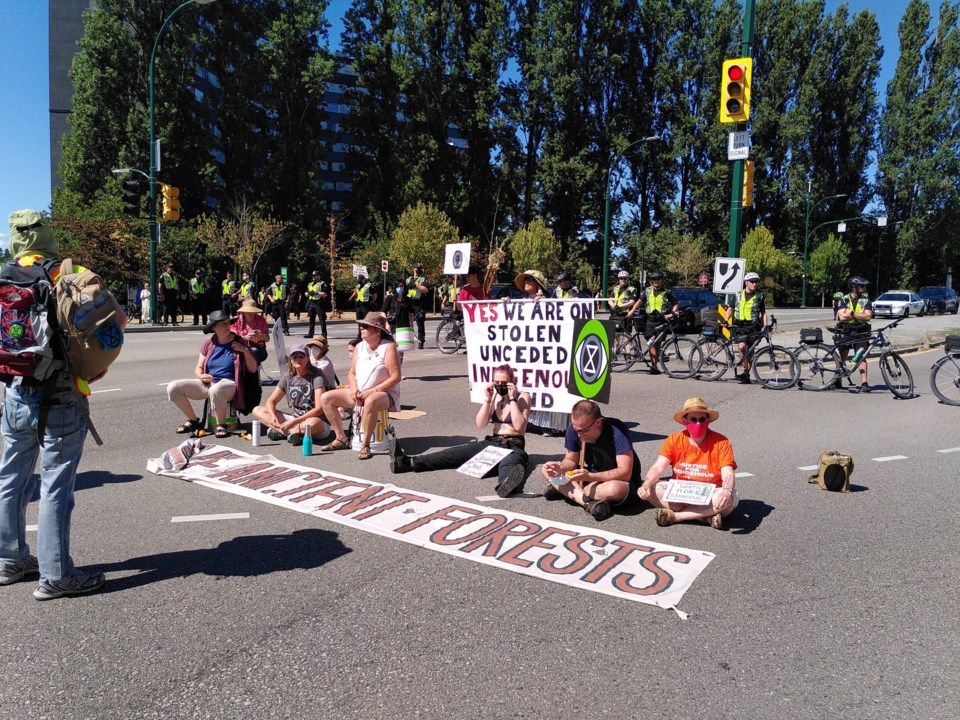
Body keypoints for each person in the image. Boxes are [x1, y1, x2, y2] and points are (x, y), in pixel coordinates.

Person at [0, 209, 125, 600]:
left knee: (11, 480)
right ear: (47, 233)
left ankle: (9, 560)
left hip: (16, 392)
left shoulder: (2, 275)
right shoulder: (65, 272)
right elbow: (116, 320)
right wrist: (93, 366)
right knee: (55, 486)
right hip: (61, 392)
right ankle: (56, 576)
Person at [388, 364, 530, 498]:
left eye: (504, 382)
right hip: (493, 442)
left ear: (512, 382)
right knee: (452, 454)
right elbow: (480, 423)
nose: (500, 386)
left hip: (513, 444)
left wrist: (511, 399)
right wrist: (487, 399)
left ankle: (507, 484)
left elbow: (519, 426)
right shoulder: (494, 397)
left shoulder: (522, 397)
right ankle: (407, 463)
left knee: (509, 463)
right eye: (496, 382)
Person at [638, 397, 738, 530]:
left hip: (710, 493)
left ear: (708, 421)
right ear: (685, 421)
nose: (698, 423)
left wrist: (726, 491)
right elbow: (658, 467)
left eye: (702, 419)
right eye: (693, 419)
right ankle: (704, 517)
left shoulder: (721, 442)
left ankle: (676, 517)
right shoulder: (674, 439)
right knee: (651, 489)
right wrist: (646, 484)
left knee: (730, 498)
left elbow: (727, 472)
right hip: (682, 492)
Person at [540, 400, 642, 521]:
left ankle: (570, 492)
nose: (579, 434)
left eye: (584, 430)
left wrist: (590, 477)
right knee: (546, 469)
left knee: (613, 489)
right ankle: (588, 503)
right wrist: (560, 468)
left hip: (618, 481)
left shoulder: (617, 430)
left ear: (598, 422)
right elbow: (571, 460)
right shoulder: (575, 429)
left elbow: (625, 473)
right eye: (575, 429)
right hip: (589, 478)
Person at [318, 312, 401, 460]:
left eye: (365, 326)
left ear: (377, 330)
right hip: (360, 391)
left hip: (384, 393)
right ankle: (340, 438)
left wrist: (373, 390)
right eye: (361, 325)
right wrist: (354, 389)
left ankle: (366, 444)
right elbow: (351, 373)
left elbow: (395, 377)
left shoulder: (388, 347)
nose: (361, 328)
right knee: (326, 398)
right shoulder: (359, 347)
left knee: (371, 401)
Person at [166, 310, 258, 439]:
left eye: (228, 323)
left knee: (216, 389)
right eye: (222, 324)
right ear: (214, 328)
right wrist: (201, 376)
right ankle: (194, 420)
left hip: (230, 384)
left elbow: (253, 369)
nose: (227, 326)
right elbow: (198, 367)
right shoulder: (209, 344)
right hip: (209, 382)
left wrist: (245, 350)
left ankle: (221, 425)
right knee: (173, 387)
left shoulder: (239, 341)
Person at [252, 344, 329, 446]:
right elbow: (271, 401)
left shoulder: (316, 375)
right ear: (290, 360)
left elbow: (319, 409)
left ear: (307, 358)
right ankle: (292, 433)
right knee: (257, 410)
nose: (297, 359)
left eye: (301, 356)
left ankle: (285, 431)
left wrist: (293, 422)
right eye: (294, 357)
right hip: (295, 420)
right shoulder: (288, 377)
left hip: (316, 422)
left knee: (312, 423)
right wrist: (272, 415)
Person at [627, 269, 678, 375]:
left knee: (658, 343)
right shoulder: (647, 290)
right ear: (652, 281)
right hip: (650, 320)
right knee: (652, 343)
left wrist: (671, 314)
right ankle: (654, 366)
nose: (656, 281)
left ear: (662, 280)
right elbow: (639, 301)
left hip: (661, 320)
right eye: (654, 279)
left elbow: (676, 304)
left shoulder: (667, 291)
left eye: (658, 279)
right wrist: (632, 311)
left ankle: (655, 365)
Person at [727, 271, 768, 384]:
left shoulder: (759, 296)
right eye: (752, 282)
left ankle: (746, 374)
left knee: (750, 352)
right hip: (741, 326)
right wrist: (726, 320)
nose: (755, 284)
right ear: (746, 282)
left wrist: (765, 325)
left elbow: (763, 312)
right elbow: (730, 308)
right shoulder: (738, 295)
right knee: (741, 347)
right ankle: (745, 370)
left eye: (756, 282)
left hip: (754, 327)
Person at [836, 276, 874, 393]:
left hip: (861, 331)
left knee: (861, 357)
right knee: (843, 356)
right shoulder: (843, 299)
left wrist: (851, 313)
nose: (864, 288)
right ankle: (838, 380)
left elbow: (867, 316)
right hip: (846, 330)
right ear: (854, 287)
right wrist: (858, 314)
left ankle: (864, 383)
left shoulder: (866, 299)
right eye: (862, 286)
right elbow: (841, 316)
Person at [231, 299, 270, 364]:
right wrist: (245, 337)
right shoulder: (236, 320)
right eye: (248, 312)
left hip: (258, 349)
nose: (251, 314)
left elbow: (267, 339)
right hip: (240, 348)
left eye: (253, 311)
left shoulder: (261, 320)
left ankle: (252, 370)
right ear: (243, 312)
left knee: (253, 352)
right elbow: (232, 338)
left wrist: (262, 335)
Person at [406, 263, 431, 349]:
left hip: (419, 304)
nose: (417, 271)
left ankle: (421, 341)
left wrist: (416, 286)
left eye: (419, 269)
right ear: (413, 269)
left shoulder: (423, 279)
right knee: (407, 322)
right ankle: (407, 340)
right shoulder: (408, 279)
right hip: (409, 302)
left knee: (420, 322)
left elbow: (426, 290)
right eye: (416, 269)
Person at [304, 269, 329, 339]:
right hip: (311, 302)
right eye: (313, 276)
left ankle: (324, 334)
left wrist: (316, 293)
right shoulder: (310, 284)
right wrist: (308, 293)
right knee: (311, 319)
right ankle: (310, 333)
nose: (314, 277)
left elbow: (325, 294)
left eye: (315, 276)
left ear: (319, 276)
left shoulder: (323, 284)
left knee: (322, 319)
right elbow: (306, 293)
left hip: (319, 303)